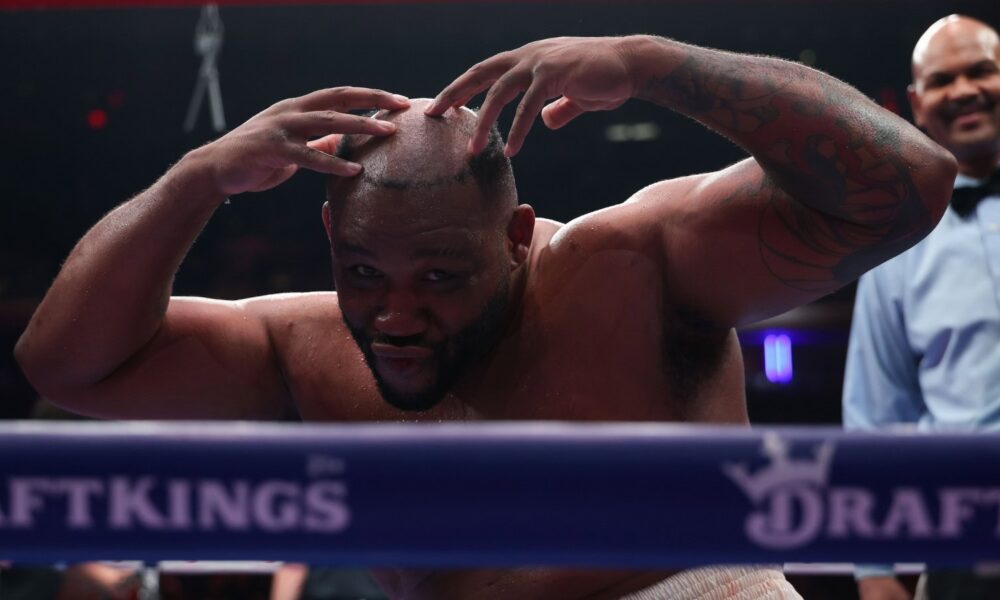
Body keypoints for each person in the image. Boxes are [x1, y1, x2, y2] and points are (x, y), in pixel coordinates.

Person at [16, 33, 955, 600]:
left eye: (438, 272)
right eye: (363, 271)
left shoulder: (631, 265)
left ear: (514, 235)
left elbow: (910, 181)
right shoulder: (301, 344)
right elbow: (64, 365)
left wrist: (656, 65)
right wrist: (197, 181)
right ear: (329, 238)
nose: (396, 313)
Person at [842, 15, 1000, 600]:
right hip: (965, 534)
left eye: (981, 71)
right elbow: (875, 415)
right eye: (943, 79)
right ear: (916, 101)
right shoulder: (898, 246)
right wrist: (874, 569)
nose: (963, 90)